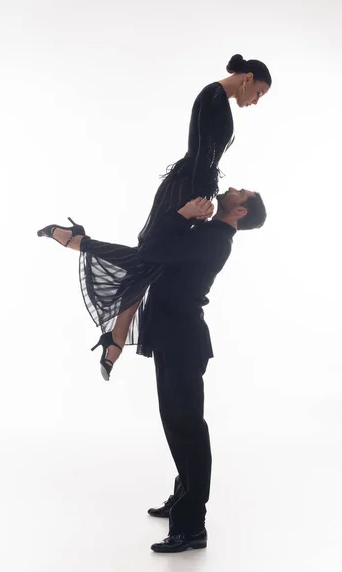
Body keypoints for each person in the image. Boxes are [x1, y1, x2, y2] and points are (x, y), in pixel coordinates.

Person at [37, 53, 272, 380]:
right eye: (259, 92)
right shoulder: (214, 95)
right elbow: (204, 150)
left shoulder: (220, 100)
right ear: (247, 78)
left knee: (152, 262)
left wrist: (202, 196)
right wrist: (200, 199)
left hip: (192, 187)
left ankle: (114, 336)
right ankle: (73, 242)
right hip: (185, 188)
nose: (256, 101)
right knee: (148, 256)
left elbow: (207, 154)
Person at [137, 191, 267, 552]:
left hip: (181, 339)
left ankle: (191, 526)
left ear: (240, 211)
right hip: (173, 336)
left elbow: (152, 251)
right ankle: (182, 498)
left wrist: (181, 215)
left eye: (241, 193)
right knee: (178, 425)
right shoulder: (208, 231)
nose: (232, 188)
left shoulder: (212, 238)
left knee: (188, 429)